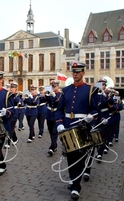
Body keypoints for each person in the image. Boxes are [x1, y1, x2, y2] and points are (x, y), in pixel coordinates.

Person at [55, 61, 99, 200]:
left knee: (80, 156)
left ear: (83, 73)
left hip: (82, 127)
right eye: (74, 71)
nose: (75, 74)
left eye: (78, 71)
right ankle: (74, 178)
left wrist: (91, 117)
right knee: (70, 155)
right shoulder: (65, 90)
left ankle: (76, 186)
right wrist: (59, 123)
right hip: (68, 126)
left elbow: (96, 111)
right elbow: (59, 110)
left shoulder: (90, 90)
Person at [46, 80, 61, 156]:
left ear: (58, 86)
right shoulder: (49, 94)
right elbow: (43, 101)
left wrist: (55, 96)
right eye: (52, 86)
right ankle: (54, 145)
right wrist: (46, 95)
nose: (53, 87)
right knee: (50, 131)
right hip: (49, 114)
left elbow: (60, 104)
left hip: (56, 114)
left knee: (55, 132)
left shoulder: (60, 94)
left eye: (55, 86)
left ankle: (51, 148)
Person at [5, 81, 20, 148]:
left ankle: (8, 143)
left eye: (13, 87)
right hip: (8, 112)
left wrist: (13, 94)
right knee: (10, 127)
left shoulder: (17, 95)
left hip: (14, 113)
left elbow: (17, 101)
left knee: (10, 128)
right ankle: (15, 139)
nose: (11, 88)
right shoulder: (8, 94)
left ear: (16, 88)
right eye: (11, 87)